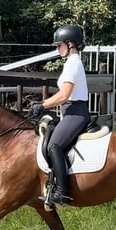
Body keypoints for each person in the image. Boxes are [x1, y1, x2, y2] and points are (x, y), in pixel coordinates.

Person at [30, 24, 90, 208]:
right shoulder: (71, 63)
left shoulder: (73, 63)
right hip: (70, 112)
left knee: (55, 145)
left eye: (59, 45)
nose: (57, 49)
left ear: (70, 44)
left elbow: (64, 95)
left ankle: (63, 193)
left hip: (76, 112)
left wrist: (43, 105)